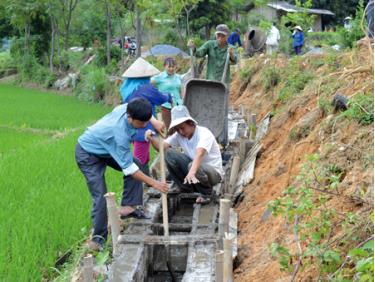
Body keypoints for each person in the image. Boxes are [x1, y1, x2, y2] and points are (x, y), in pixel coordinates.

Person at [75, 98, 169, 251]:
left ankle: (128, 207)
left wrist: (155, 122)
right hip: (88, 153)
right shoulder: (120, 134)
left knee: (137, 162)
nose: (144, 125)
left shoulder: (128, 108)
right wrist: (155, 183)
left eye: (146, 121)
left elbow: (139, 107)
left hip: (105, 149)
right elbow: (131, 171)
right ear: (130, 117)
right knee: (100, 195)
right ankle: (98, 239)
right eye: (141, 123)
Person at [145, 105, 224, 204]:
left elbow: (199, 154)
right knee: (169, 153)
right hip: (195, 171)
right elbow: (162, 147)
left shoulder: (204, 133)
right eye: (178, 129)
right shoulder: (179, 135)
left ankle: (206, 193)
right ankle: (185, 187)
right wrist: (151, 138)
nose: (181, 132)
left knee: (193, 166)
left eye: (182, 128)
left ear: (191, 123)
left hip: (213, 174)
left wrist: (191, 172)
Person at [119, 57, 171, 175]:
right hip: (143, 127)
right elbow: (160, 98)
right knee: (140, 157)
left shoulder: (127, 88)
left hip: (132, 126)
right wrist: (169, 96)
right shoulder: (145, 88)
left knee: (143, 154)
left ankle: (146, 181)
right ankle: (140, 183)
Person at [151, 57, 183, 130]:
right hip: (166, 106)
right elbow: (148, 83)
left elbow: (186, 79)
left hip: (178, 105)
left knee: (179, 128)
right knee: (170, 129)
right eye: (169, 66)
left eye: (173, 66)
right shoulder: (160, 77)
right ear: (165, 66)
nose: (171, 68)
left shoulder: (178, 77)